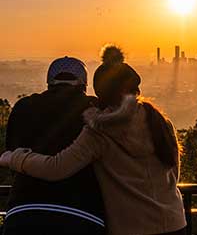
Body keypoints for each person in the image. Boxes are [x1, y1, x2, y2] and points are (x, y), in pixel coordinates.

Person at [1, 47, 187, 235]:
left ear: (100, 95)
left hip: (130, 227)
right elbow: (173, 171)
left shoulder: (100, 130)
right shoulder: (161, 121)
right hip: (174, 222)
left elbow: (56, 167)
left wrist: (13, 159)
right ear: (136, 89)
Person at [2, 57, 105, 235]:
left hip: (22, 212)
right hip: (83, 215)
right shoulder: (95, 110)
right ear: (83, 84)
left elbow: (13, 160)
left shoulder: (23, 108)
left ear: (49, 83)